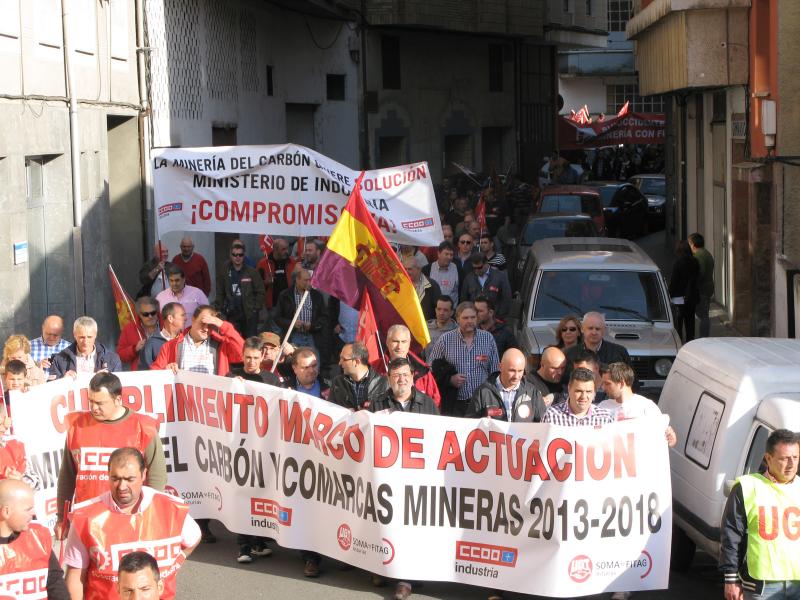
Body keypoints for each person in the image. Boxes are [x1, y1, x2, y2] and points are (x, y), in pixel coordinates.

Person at [64, 448, 200, 600]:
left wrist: (171, 567)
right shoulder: (85, 517)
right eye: (115, 478)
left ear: (143, 475)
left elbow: (194, 538)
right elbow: (75, 576)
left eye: (129, 479)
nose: (122, 487)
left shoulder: (171, 507)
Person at [55, 371, 166, 535]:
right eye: (91, 401)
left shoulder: (143, 427)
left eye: (100, 403)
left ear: (118, 399)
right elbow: (67, 477)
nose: (94, 408)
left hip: (129, 520)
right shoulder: (77, 426)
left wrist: (151, 515)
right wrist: (61, 518)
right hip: (87, 519)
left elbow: (157, 476)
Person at [369, 357, 438, 600]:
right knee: (385, 526)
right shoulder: (377, 404)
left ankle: (404, 579)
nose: (402, 380)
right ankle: (381, 568)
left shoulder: (427, 404)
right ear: (389, 378)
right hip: (386, 480)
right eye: (397, 375)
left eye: (406, 375)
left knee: (409, 529)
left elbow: (439, 440)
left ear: (413, 377)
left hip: (416, 480)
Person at [719, 429, 799, 600]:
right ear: (768, 458)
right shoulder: (747, 487)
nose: (792, 464)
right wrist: (731, 578)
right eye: (785, 458)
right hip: (761, 587)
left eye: (796, 457)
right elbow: (731, 534)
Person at [227, 337, 279, 564]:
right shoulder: (231, 377)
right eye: (247, 357)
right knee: (242, 494)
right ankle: (243, 546)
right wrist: (232, 386)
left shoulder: (271, 379)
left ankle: (258, 541)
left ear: (263, 357)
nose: (250, 362)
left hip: (264, 445)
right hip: (238, 446)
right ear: (242, 355)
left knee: (261, 493)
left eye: (255, 358)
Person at [427, 301, 500, 417]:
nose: (469, 321)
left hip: (481, 403)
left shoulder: (488, 339)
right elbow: (430, 368)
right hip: (455, 404)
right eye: (465, 318)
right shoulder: (445, 340)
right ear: (457, 319)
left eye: (473, 317)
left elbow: (495, 371)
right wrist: (449, 379)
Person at [0, 479, 69, 599]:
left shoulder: (38, 536)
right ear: (6, 512)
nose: (34, 513)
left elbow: (55, 582)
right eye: (28, 509)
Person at [150, 305, 244, 377]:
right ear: (193, 319)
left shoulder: (221, 345)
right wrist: (165, 370)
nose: (206, 329)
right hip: (182, 399)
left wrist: (222, 324)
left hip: (211, 400)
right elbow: (154, 374)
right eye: (203, 323)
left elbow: (242, 353)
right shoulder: (170, 346)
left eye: (210, 325)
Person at [600, 362, 677, 446]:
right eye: (603, 384)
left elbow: (664, 439)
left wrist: (671, 438)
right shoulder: (602, 407)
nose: (603, 388)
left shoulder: (646, 407)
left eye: (607, 383)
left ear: (621, 384)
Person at [466, 348, 547, 422]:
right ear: (500, 367)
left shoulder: (532, 392)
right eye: (512, 371)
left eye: (520, 371)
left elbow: (544, 423)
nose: (516, 376)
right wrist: (481, 423)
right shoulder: (483, 392)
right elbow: (470, 424)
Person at [213, 240, 265, 338]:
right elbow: (220, 291)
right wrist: (218, 308)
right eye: (234, 254)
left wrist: (255, 308)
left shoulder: (252, 272)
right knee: (231, 340)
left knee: (250, 341)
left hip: (249, 314)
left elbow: (260, 291)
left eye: (240, 255)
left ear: (244, 255)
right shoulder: (224, 271)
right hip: (232, 313)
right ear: (230, 255)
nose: (237, 257)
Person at [384, 325, 440, 407]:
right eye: (395, 341)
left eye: (403, 342)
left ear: (409, 343)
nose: (399, 346)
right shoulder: (375, 369)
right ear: (387, 342)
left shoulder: (422, 370)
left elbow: (435, 401)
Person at [50, 316, 122, 379]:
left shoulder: (112, 359)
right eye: (82, 337)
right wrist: (63, 380)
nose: (85, 341)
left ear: (95, 335)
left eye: (89, 337)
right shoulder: (60, 359)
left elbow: (119, 387)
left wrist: (105, 380)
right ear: (74, 335)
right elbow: (50, 388)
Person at [274, 268, 327, 352]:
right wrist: (292, 323)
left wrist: (312, 325)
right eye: (305, 280)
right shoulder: (285, 295)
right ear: (297, 280)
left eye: (310, 280)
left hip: (312, 336)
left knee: (314, 362)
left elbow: (324, 317)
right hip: (294, 336)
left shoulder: (316, 296)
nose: (308, 283)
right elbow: (277, 318)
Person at [564, 311, 631, 377]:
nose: (594, 332)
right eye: (590, 328)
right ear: (582, 329)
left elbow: (631, 383)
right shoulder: (570, 354)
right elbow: (566, 383)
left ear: (604, 330)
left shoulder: (620, 352)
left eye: (597, 329)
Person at [542, 367, 614, 426]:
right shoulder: (551, 415)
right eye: (579, 391)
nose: (583, 396)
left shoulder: (605, 418)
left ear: (594, 392)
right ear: (569, 388)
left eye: (588, 391)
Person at [329, 343, 388, 411]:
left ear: (357, 362)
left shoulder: (383, 383)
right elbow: (331, 411)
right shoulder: (337, 383)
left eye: (344, 359)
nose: (339, 363)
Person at [461, 253, 512, 319]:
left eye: (479, 267)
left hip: (495, 319)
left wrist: (499, 316)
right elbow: (464, 299)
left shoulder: (500, 277)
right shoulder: (469, 278)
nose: (477, 270)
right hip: (474, 319)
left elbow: (506, 298)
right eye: (474, 268)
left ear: (486, 264)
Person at [116, 296, 161, 370]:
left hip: (163, 373)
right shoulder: (129, 329)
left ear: (157, 312)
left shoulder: (167, 325)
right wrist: (134, 349)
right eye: (145, 314)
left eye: (153, 313)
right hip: (140, 375)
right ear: (139, 314)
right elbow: (120, 356)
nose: (150, 316)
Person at [139, 302, 187, 371]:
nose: (186, 318)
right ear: (170, 318)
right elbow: (146, 374)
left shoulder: (187, 341)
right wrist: (164, 371)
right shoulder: (151, 344)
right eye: (182, 315)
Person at [670, 240, 700, 343]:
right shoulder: (695, 262)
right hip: (691, 298)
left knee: (678, 324)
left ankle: (678, 345)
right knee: (690, 323)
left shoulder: (677, 263)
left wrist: (669, 294)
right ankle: (690, 344)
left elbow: (674, 281)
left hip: (678, 298)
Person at [257, 237, 297, 308]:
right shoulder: (263, 264)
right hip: (271, 306)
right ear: (275, 249)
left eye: (287, 249)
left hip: (289, 305)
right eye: (283, 249)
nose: (287, 252)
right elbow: (256, 286)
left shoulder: (292, 263)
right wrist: (265, 283)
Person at [688, 232, 715, 338]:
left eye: (689, 244)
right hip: (707, 288)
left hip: (701, 290)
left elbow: (700, 273)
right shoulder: (707, 254)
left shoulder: (698, 256)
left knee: (703, 316)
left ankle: (704, 338)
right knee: (704, 314)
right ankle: (704, 337)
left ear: (693, 244)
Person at [29, 314, 71, 380]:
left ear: (62, 331)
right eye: (48, 334)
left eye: (55, 335)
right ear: (42, 328)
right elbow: (19, 372)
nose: (51, 337)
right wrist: (37, 365)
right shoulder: (28, 347)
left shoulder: (69, 348)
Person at [402, 256, 441, 322]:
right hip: (404, 325)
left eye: (410, 269)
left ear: (419, 269)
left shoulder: (432, 285)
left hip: (426, 326)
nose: (406, 272)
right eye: (405, 269)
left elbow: (438, 307)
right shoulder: (400, 284)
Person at [425, 295, 457, 359]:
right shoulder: (426, 328)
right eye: (439, 309)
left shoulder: (458, 331)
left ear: (452, 312)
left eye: (445, 310)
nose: (441, 313)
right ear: (435, 310)